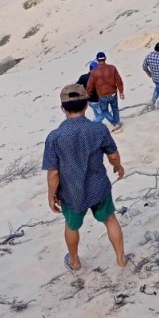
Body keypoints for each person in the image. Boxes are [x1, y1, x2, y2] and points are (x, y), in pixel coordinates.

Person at [42, 84, 130, 272]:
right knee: (110, 219)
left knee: (72, 226)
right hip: (98, 187)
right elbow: (113, 155)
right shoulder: (98, 129)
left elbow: (54, 173)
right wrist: (118, 167)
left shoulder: (54, 137)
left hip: (71, 192)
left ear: (63, 108)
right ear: (86, 106)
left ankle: (74, 261)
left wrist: (51, 195)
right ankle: (121, 259)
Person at [86, 52, 125, 132]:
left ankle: (115, 123)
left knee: (104, 111)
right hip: (113, 93)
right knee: (115, 108)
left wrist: (88, 94)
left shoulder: (94, 72)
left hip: (102, 95)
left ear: (97, 60)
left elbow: (90, 85)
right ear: (105, 59)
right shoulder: (112, 68)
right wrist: (121, 92)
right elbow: (119, 80)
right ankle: (117, 122)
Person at [78, 61, 106, 127]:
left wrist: (83, 93)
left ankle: (98, 127)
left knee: (96, 114)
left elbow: (77, 86)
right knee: (103, 114)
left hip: (89, 100)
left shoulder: (83, 77)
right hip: (97, 100)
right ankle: (94, 124)